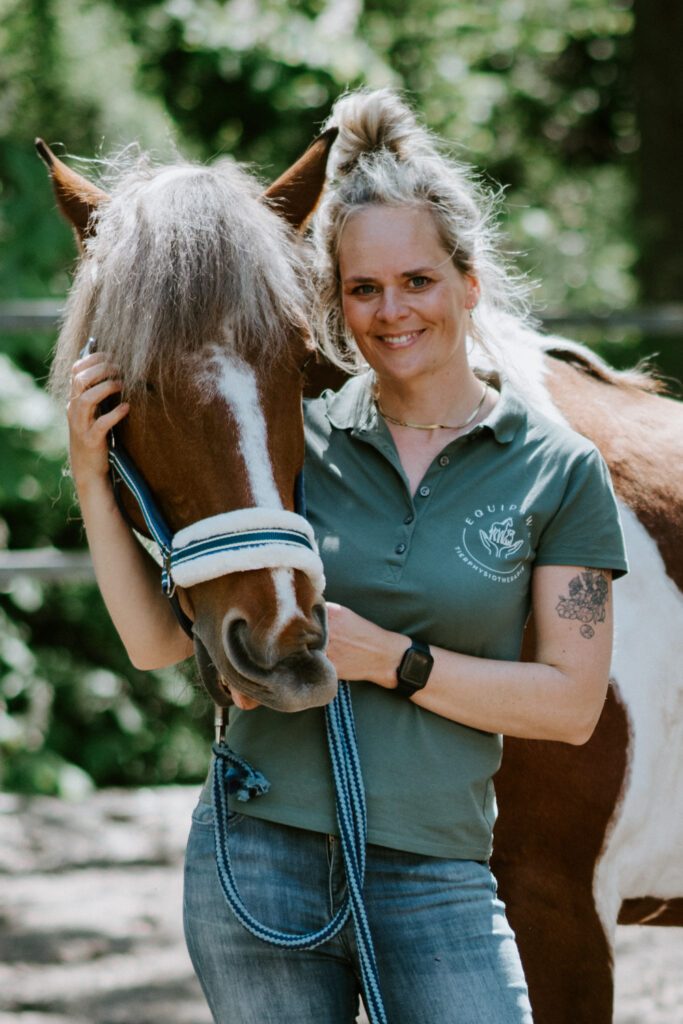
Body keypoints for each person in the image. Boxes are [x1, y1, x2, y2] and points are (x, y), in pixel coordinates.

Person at [66, 89, 628, 1024]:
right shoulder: (301, 444)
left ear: (468, 283)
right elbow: (160, 645)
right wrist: (92, 477)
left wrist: (389, 661)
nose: (389, 312)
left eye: (416, 281)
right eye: (361, 289)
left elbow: (568, 707)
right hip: (259, 862)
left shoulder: (554, 470)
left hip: (436, 874)